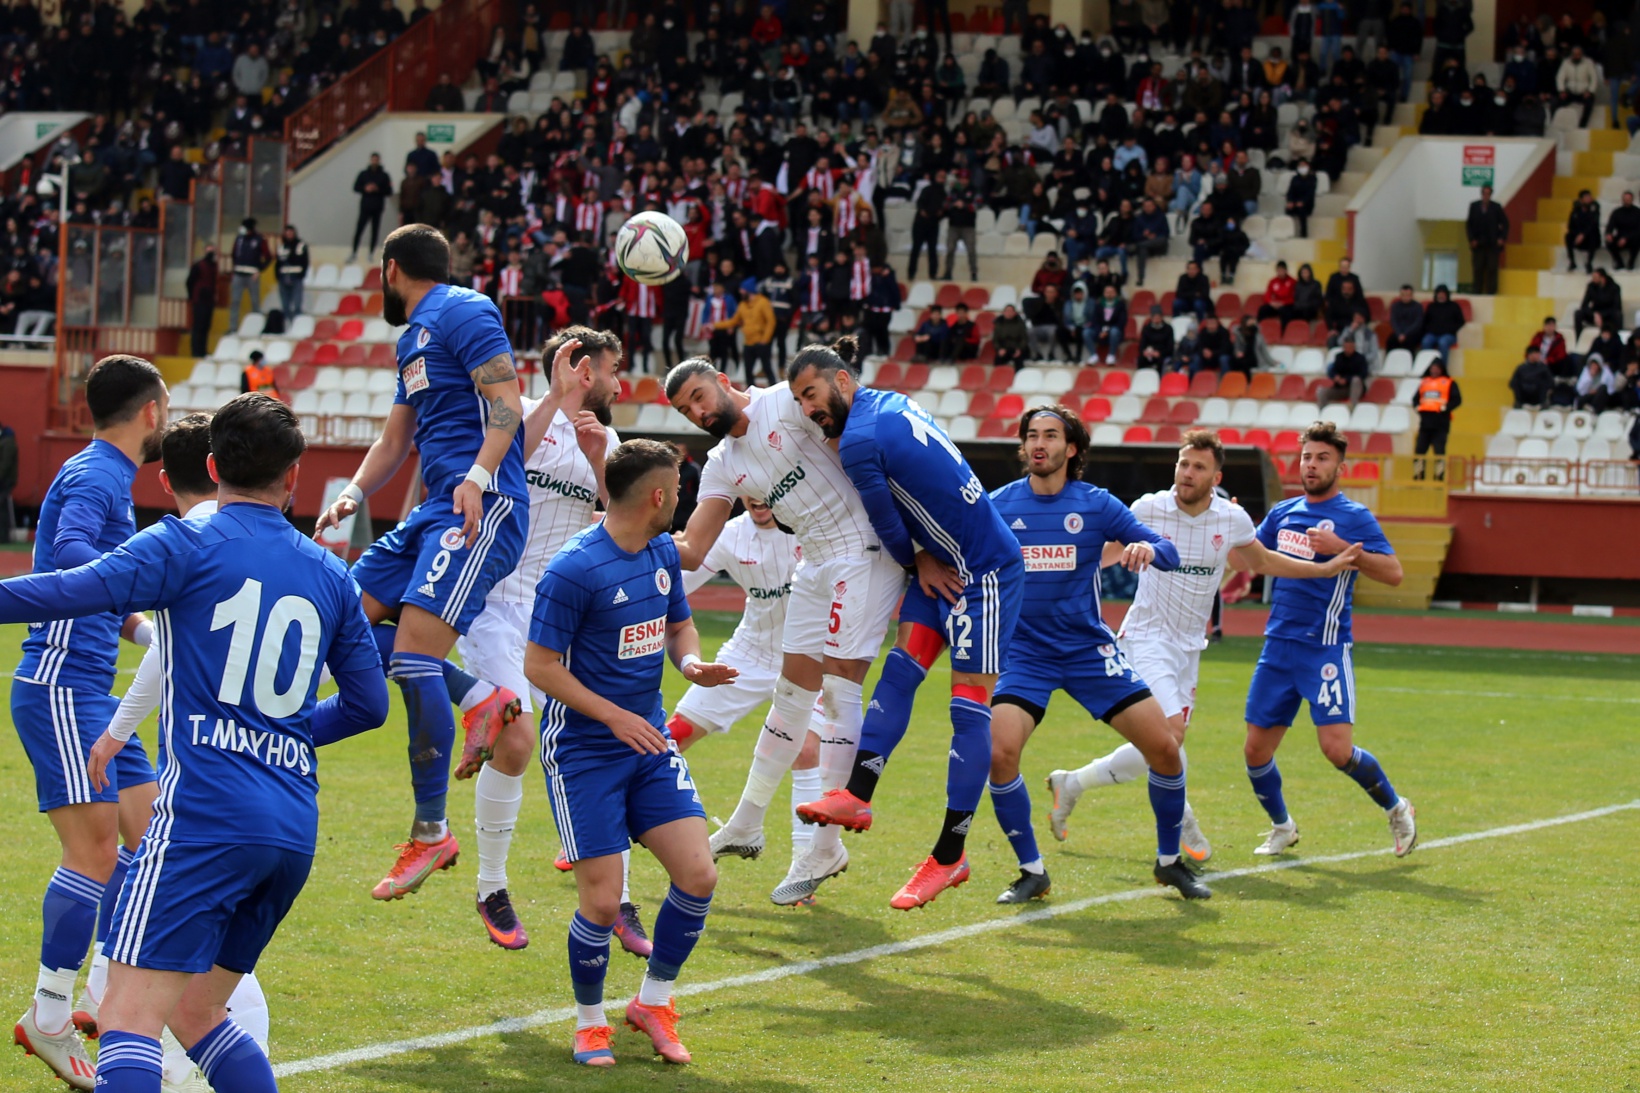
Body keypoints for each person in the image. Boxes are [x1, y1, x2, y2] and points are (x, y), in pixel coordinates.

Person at [3, 394, 388, 1093]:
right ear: (295, 475)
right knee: (198, 1011)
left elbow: (67, 590)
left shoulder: (187, 541)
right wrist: (293, 734)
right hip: (292, 829)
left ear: (211, 467)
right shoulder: (333, 573)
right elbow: (370, 705)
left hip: (204, 819)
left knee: (126, 1014)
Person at [313, 225, 530, 901]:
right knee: (340, 621)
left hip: (479, 504)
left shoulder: (464, 309)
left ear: (390, 268)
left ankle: (431, 830)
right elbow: (394, 436)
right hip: (432, 510)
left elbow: (507, 403)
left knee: (410, 656)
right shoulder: (413, 338)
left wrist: (477, 473)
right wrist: (352, 493)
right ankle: (479, 696)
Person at [1050, 430, 1362, 866]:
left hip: (1189, 648)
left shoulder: (1230, 521)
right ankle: (1181, 817)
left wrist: (1323, 568)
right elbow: (1101, 554)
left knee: (1158, 745)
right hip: (1146, 637)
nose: (1187, 473)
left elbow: (1262, 562)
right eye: (1183, 464)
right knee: (1171, 736)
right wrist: (1055, 572)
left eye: (1198, 467)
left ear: (1216, 476)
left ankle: (1074, 783)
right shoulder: (1148, 508)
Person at [789, 337, 1027, 911]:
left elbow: (891, 528)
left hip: (982, 573)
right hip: (943, 566)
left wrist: (916, 557)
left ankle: (950, 856)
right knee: (898, 675)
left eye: (812, 394)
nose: (808, 409)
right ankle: (858, 794)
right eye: (798, 401)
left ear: (843, 381)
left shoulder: (860, 442)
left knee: (967, 709)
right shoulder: (893, 403)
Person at [666, 357, 905, 906]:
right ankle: (748, 822)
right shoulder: (723, 461)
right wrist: (621, 530)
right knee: (791, 697)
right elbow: (695, 548)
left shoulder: (785, 401)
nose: (699, 412)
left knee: (839, 691)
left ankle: (825, 845)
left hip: (863, 551)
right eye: (686, 410)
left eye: (701, 396)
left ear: (724, 381)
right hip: (816, 562)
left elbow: (865, 434)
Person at [524, 439, 730, 1068]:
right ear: (659, 496)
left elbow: (678, 624)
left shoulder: (662, 551)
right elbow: (539, 666)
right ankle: (590, 1024)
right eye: (678, 489)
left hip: (647, 741)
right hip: (585, 749)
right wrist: (612, 715)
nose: (681, 499)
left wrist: (690, 662)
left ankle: (653, 1004)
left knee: (698, 876)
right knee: (604, 902)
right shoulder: (574, 568)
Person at [93, 414, 274, 1089]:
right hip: (279, 802)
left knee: (137, 1005)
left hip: (201, 796)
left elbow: (159, 652)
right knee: (204, 978)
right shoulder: (277, 544)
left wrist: (115, 731)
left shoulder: (185, 541)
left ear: (165, 477)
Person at [979, 407, 1214, 902]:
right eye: (1031, 436)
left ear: (1072, 449)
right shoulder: (997, 506)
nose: (1039, 443)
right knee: (999, 754)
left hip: (1089, 651)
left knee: (1166, 751)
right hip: (1026, 654)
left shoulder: (1097, 504)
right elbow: (962, 553)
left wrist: (1149, 550)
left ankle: (1169, 862)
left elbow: (1166, 549)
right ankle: (1031, 871)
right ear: (1023, 447)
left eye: (1050, 435)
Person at [9, 356, 168, 1091]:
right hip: (63, 690)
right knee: (95, 852)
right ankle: (47, 1011)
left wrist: (140, 629)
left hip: (93, 694)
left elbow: (92, 576)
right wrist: (143, 579)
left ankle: (110, 994)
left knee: (152, 836)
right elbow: (75, 556)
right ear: (154, 412)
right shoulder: (97, 476)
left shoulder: (102, 472)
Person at [1243, 421, 1417, 858]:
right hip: (1277, 646)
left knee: (1336, 750)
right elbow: (1255, 559)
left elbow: (1394, 574)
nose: (1312, 465)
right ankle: (1282, 827)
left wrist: (1342, 546)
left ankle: (1396, 808)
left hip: (1324, 647)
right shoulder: (1282, 513)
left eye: (1322, 458)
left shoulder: (1354, 517)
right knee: (1255, 750)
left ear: (1341, 465)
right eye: (1306, 457)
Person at [673, 499, 810, 850]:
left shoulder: (811, 525)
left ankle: (805, 865)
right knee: (671, 738)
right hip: (747, 655)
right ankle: (603, 833)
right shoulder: (730, 535)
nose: (758, 498)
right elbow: (680, 584)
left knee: (807, 753)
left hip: (810, 657)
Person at [715, 278, 777, 385]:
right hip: (748, 342)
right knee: (748, 371)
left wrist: (765, 339)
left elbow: (771, 322)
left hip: (761, 342)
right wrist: (715, 325)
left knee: (767, 369)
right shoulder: (742, 305)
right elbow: (734, 320)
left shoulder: (763, 302)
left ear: (749, 291)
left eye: (742, 290)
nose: (740, 292)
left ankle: (775, 390)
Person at [1412, 358, 1461, 480]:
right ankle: (1418, 475)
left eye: (1437, 368)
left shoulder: (1449, 382)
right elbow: (1415, 398)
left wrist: (1446, 408)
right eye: (1432, 368)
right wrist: (1416, 406)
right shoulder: (1424, 382)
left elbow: (1457, 400)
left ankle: (1439, 477)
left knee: (1439, 452)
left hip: (1441, 423)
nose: (1434, 371)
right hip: (1425, 422)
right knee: (1419, 451)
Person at [226, 218, 269, 332]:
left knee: (255, 302)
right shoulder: (239, 239)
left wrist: (259, 270)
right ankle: (233, 328)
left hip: (252, 275)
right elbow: (234, 254)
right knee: (235, 301)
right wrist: (235, 269)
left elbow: (268, 257)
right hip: (238, 274)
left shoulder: (259, 239)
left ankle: (257, 328)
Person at [1465, 184, 1509, 295]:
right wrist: (1471, 240)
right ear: (1481, 194)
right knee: (1477, 269)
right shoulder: (1474, 206)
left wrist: (1501, 238)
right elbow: (1469, 225)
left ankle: (1491, 293)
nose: (1486, 195)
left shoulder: (1496, 207)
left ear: (1490, 195)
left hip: (1492, 245)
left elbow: (1505, 223)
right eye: (1484, 193)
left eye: (1488, 193)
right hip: (1478, 245)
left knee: (1492, 270)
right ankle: (1477, 292)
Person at [351, 152, 393, 262]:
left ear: (379, 161)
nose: (375, 162)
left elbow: (389, 191)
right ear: (370, 160)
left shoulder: (384, 175)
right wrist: (365, 188)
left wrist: (377, 189)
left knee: (375, 231)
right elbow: (356, 187)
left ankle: (371, 253)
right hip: (365, 206)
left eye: (376, 160)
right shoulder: (364, 174)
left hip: (377, 207)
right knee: (359, 229)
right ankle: (354, 252)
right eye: (373, 159)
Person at [1419, 284, 1465, 363]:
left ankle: (1442, 369)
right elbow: (1425, 322)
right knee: (1425, 342)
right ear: (1436, 295)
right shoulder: (1431, 306)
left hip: (1448, 335)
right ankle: (1426, 368)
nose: (1441, 296)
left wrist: (1451, 329)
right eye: (1439, 294)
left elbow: (1461, 322)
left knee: (1443, 342)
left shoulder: (1454, 306)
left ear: (1447, 295)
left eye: (1443, 294)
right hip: (1432, 334)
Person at [186, 246, 218, 358]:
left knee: (206, 326)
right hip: (199, 300)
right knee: (198, 327)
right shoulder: (198, 266)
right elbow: (189, 282)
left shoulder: (214, 267)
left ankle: (203, 350)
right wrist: (192, 296)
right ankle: (196, 351)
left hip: (209, 301)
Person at [1556, 44, 1599, 127]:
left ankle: (1582, 125)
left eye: (1578, 54)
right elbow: (1560, 77)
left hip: (1584, 92)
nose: (1576, 56)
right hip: (1570, 91)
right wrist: (1562, 90)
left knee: (1589, 104)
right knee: (1558, 102)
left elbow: (1594, 78)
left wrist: (1590, 91)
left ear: (1581, 54)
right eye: (1574, 54)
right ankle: (1559, 124)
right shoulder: (1566, 62)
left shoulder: (1588, 62)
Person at [1574, 268, 1623, 337]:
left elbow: (1617, 306)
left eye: (1595, 277)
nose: (1593, 279)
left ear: (1602, 278)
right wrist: (1594, 314)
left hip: (1608, 315)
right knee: (1578, 313)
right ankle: (1578, 338)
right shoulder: (1591, 286)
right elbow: (1584, 305)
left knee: (1618, 315)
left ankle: (1618, 338)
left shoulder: (1614, 287)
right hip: (1595, 315)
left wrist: (1601, 315)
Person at [274, 224, 308, 319]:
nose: (289, 235)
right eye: (287, 233)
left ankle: (297, 324)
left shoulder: (301, 245)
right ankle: (288, 323)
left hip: (296, 277)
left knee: (297, 304)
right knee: (285, 305)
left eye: (291, 233)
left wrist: (301, 275)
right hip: (283, 278)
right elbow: (278, 263)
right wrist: (278, 276)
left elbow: (305, 262)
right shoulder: (281, 247)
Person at [1565, 189, 1602, 274]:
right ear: (1581, 200)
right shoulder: (1575, 212)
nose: (1589, 199)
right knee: (1568, 236)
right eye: (1586, 197)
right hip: (1579, 239)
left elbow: (1593, 224)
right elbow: (1571, 226)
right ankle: (1572, 262)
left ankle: (1589, 263)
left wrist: (1583, 234)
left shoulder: (1594, 210)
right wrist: (1578, 235)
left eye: (1590, 197)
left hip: (1591, 238)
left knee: (1593, 235)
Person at [1090, 284, 1128, 365]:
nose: (1109, 294)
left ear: (1115, 293)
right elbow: (1095, 320)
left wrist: (1107, 331)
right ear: (1104, 293)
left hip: (1115, 332)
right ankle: (1093, 355)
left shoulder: (1120, 305)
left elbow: (1121, 322)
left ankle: (1111, 356)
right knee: (1086, 332)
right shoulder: (1099, 304)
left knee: (1114, 331)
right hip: (1100, 332)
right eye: (1107, 292)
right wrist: (1100, 331)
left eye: (1111, 292)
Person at [1605, 191, 1640, 271]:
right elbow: (1610, 225)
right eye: (1625, 199)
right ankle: (1619, 263)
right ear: (1622, 200)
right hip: (1620, 237)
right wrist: (1609, 234)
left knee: (1637, 241)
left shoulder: (1637, 212)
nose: (1627, 200)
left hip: (1634, 237)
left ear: (1632, 200)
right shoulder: (1617, 212)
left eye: (1629, 199)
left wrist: (1626, 238)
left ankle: (1631, 263)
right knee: (1609, 243)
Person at [1384, 284, 1424, 353]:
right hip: (1398, 333)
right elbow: (1394, 321)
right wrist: (1399, 334)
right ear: (1400, 295)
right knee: (1390, 341)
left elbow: (1417, 323)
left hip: (1412, 333)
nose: (1405, 297)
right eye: (1403, 295)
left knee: (1409, 342)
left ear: (1412, 295)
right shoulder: (1395, 306)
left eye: (1408, 295)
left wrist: (1405, 334)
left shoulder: (1417, 306)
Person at [1137, 305, 1176, 370]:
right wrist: (1144, 352)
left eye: (1158, 317)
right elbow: (1142, 344)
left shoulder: (1168, 329)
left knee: (1161, 361)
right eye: (1155, 318)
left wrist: (1159, 353)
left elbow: (1170, 347)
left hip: (1162, 353)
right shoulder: (1147, 328)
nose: (1156, 320)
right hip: (1149, 352)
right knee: (1141, 359)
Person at [992, 303, 1030, 369]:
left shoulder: (1020, 324)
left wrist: (1019, 349)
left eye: (1011, 311)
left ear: (1014, 313)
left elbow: (1024, 339)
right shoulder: (999, 324)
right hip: (1004, 349)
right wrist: (999, 349)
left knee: (1019, 361)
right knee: (998, 360)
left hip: (1017, 348)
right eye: (1007, 311)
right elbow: (995, 340)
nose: (1009, 313)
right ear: (1003, 312)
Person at [1286, 159, 1317, 238]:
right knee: (1288, 209)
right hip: (1295, 202)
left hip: (1307, 204)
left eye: (1304, 165)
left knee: (1301, 210)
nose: (1302, 167)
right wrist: (1290, 201)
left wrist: (1303, 201)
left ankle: (1303, 233)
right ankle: (1287, 231)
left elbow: (1310, 193)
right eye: (1300, 166)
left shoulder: (1312, 179)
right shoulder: (1295, 179)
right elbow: (1290, 191)